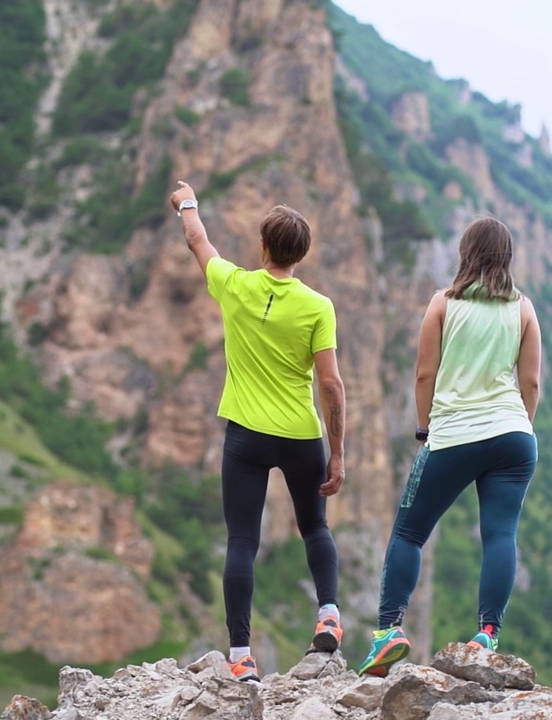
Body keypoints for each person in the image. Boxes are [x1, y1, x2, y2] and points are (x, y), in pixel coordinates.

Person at [169, 180, 347, 683]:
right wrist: (338, 454)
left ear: (263, 247)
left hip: (246, 435)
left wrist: (187, 202)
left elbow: (197, 242)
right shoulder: (318, 307)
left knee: (242, 540)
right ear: (302, 255)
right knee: (315, 527)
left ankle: (241, 655)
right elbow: (330, 385)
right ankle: (329, 613)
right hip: (299, 433)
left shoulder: (235, 285)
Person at [356, 215, 542, 677]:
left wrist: (426, 429)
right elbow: (532, 382)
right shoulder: (524, 309)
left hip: (455, 434)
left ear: (465, 253)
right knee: (500, 534)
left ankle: (388, 632)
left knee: (409, 533)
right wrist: (520, 426)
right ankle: (487, 634)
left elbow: (424, 374)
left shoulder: (443, 303)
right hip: (515, 436)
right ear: (507, 258)